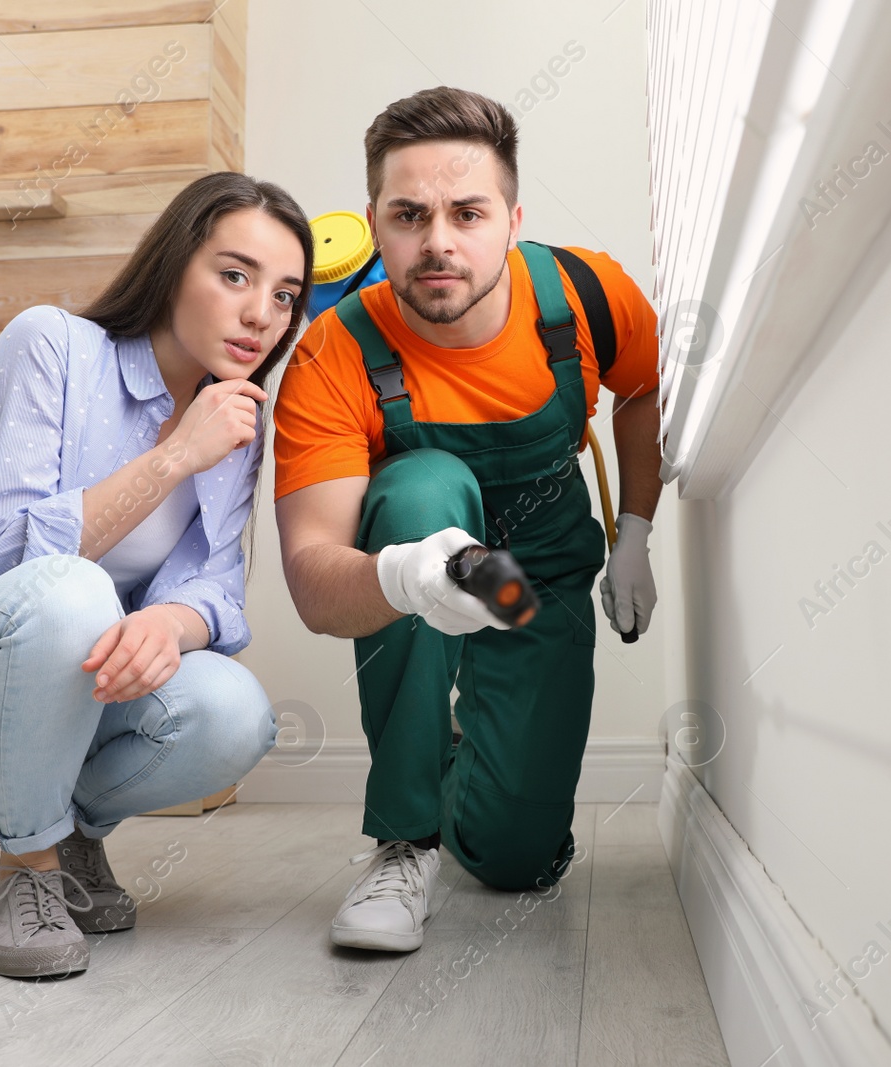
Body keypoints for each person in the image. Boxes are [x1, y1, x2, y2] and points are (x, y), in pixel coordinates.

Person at [0, 172, 314, 978]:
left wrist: (168, 624)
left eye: (284, 295)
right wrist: (173, 457)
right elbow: (3, 555)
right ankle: (23, 875)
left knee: (237, 711)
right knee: (73, 591)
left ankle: (67, 838)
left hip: (81, 707)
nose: (259, 315)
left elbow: (215, 590)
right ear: (173, 266)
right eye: (235, 275)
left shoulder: (236, 415)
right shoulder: (51, 345)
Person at [274, 87, 663, 952]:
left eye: (467, 212)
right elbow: (312, 578)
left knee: (517, 857)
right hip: (426, 557)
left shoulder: (588, 293)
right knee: (419, 490)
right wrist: (412, 575)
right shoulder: (334, 353)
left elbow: (641, 391)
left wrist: (635, 530)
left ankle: (458, 751)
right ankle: (403, 840)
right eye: (410, 214)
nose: (439, 241)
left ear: (513, 218)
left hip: (533, 582)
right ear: (375, 223)